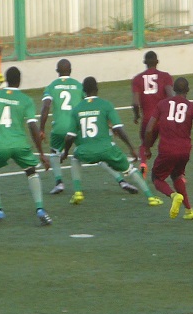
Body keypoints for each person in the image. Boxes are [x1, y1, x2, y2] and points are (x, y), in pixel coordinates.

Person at [60, 77, 162, 207]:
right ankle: (151, 198)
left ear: (83, 91)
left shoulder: (77, 109)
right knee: (130, 170)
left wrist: (65, 153)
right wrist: (131, 147)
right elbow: (118, 128)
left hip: (86, 152)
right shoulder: (106, 105)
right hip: (107, 150)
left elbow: (70, 137)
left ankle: (78, 192)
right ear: (97, 89)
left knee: (75, 157)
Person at [40, 59, 136, 196]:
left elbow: (46, 107)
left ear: (57, 71)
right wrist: (110, 125)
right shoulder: (78, 86)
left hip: (60, 127)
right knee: (98, 152)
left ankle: (59, 182)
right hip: (78, 126)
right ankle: (121, 180)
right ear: (70, 70)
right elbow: (92, 103)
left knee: (54, 152)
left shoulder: (51, 87)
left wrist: (42, 129)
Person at [0, 67, 51, 227]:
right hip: (20, 144)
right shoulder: (26, 100)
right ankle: (40, 209)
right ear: (19, 81)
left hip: (0, 144)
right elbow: (33, 126)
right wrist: (41, 152)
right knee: (31, 171)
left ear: (6, 80)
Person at [143, 77, 193, 220]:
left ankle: (173, 195)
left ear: (173, 89)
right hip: (184, 151)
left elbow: (149, 129)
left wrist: (147, 148)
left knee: (157, 178)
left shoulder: (162, 104)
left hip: (167, 150)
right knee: (177, 175)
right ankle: (189, 211)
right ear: (187, 90)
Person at [131, 51, 174, 173]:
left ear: (144, 62)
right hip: (164, 118)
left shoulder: (137, 79)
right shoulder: (165, 76)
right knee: (169, 144)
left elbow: (135, 103)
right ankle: (177, 172)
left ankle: (143, 163)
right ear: (157, 62)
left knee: (144, 145)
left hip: (148, 120)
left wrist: (136, 115)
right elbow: (171, 95)